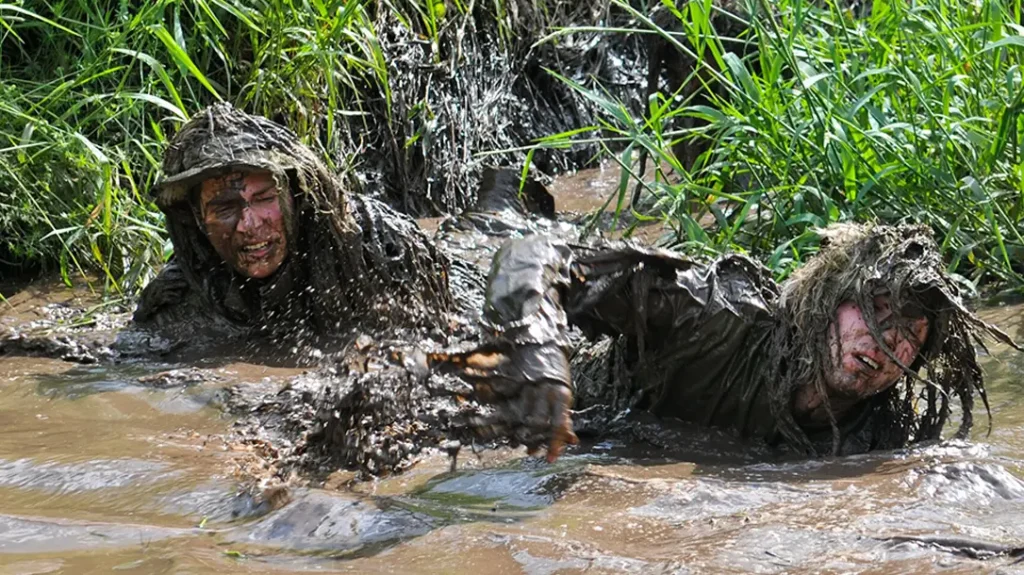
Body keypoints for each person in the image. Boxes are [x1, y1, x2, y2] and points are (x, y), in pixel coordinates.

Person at [435, 223, 1019, 461]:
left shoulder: (880, 439)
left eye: (910, 334)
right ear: (825, 302)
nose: (885, 343)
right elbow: (532, 254)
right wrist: (538, 355)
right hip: (562, 414)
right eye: (875, 310)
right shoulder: (714, 314)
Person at [133, 103, 451, 343]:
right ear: (199, 219)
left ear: (294, 196)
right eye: (225, 208)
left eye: (263, 199)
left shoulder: (381, 253)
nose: (248, 223)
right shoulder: (180, 297)